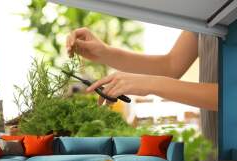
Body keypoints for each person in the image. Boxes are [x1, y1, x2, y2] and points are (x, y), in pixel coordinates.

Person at [66, 27, 218, 111]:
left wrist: (151, 84)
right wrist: (104, 53)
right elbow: (171, 66)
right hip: (214, 144)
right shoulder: (203, 11)